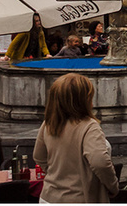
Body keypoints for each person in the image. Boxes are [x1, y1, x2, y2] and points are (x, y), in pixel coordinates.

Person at [32, 72, 119, 202]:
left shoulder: (49, 123)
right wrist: (113, 186)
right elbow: (100, 162)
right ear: (83, 100)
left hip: (49, 197)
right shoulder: (89, 126)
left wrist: (58, 175)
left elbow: (39, 156)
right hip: (80, 197)